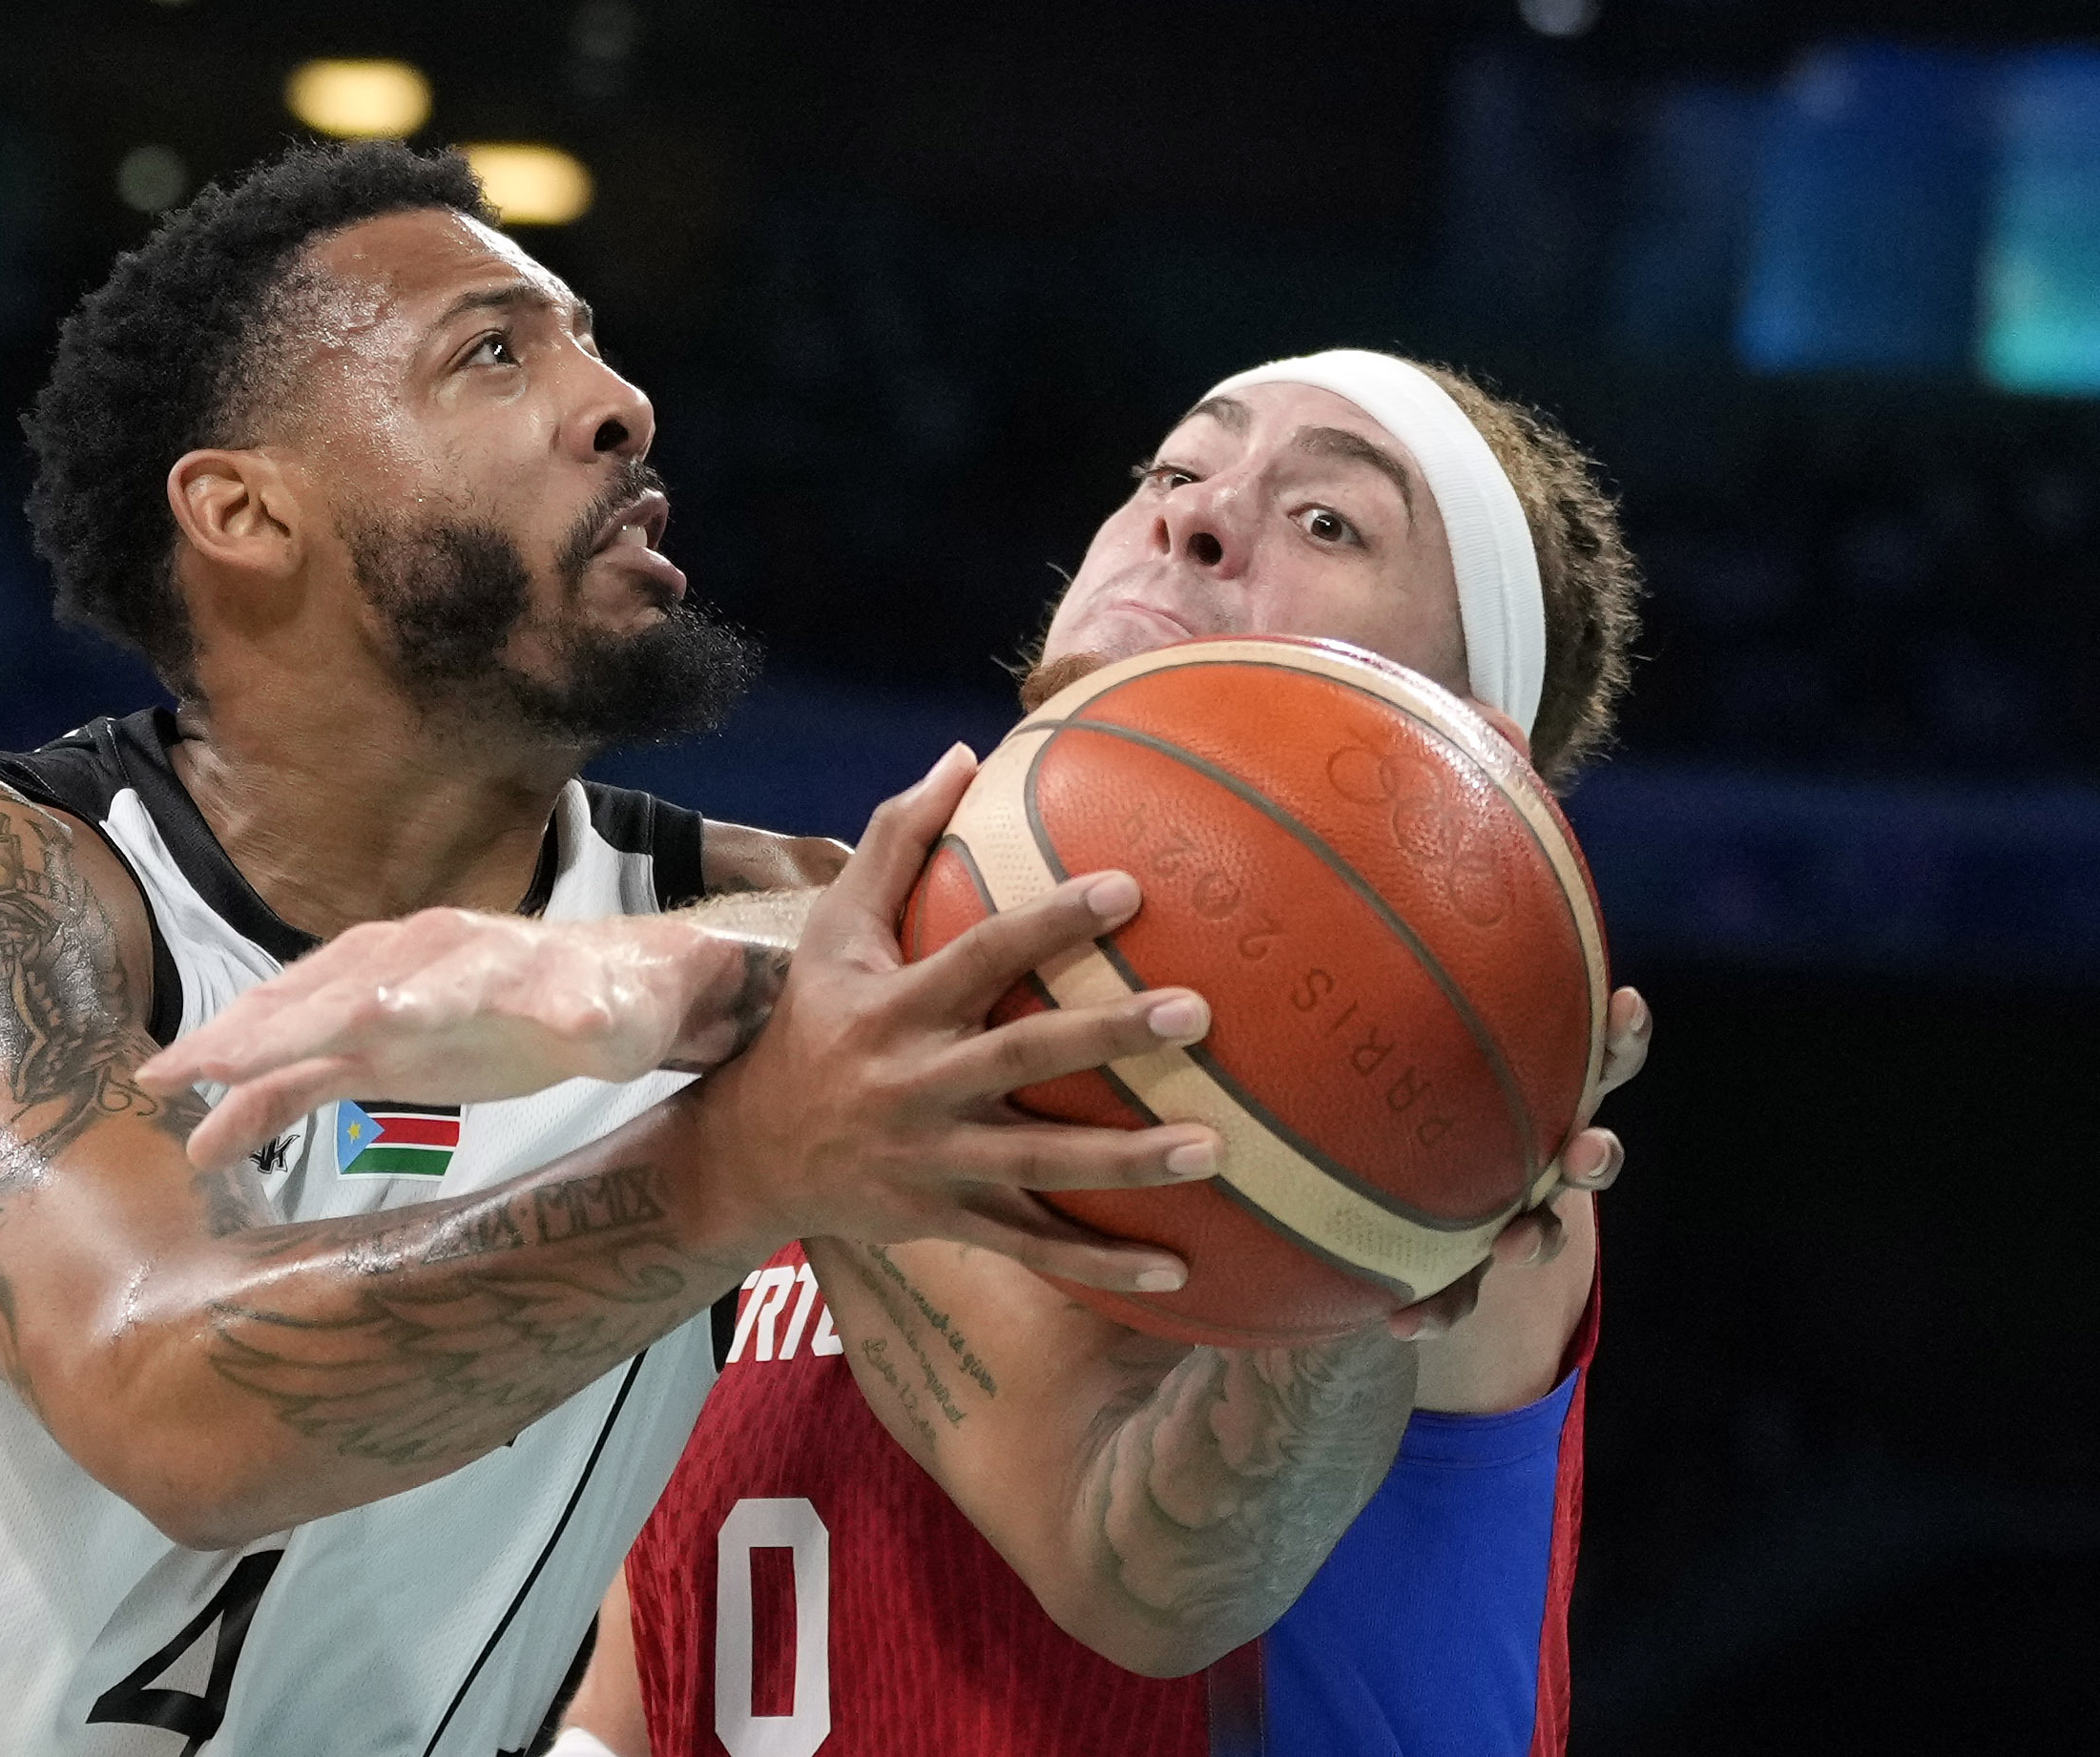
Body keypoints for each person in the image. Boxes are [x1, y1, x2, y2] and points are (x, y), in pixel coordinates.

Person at [0, 141, 1252, 1757]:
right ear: (246, 509)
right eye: (494, 351)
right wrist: (737, 1165)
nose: (621, 404)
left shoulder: (775, 939)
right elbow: (165, 1396)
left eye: (596, 342)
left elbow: (1133, 1550)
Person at [157, 353, 1651, 1755]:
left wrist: (629, 971)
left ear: (1469, 748)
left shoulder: (1472, 1136)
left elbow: (1154, 1570)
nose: (1197, 517)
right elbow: (649, 1664)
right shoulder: (833, 1104)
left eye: (1329, 517)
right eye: (1172, 469)